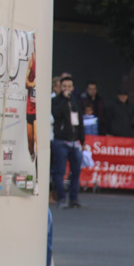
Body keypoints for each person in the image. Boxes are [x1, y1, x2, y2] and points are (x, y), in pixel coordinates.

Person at [51, 76, 87, 209]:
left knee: (76, 171)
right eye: (64, 86)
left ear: (72, 88)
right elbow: (56, 114)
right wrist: (64, 100)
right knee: (59, 171)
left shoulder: (75, 101)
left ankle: (74, 198)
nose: (67, 89)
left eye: (69, 86)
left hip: (74, 141)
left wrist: (82, 141)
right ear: (60, 87)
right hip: (61, 141)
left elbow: (80, 122)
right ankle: (61, 198)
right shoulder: (56, 101)